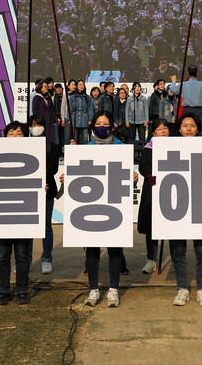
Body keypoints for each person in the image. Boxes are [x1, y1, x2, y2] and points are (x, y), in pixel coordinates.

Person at [76, 111, 126, 308]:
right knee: (92, 247)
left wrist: (132, 177)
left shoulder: (121, 148)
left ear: (112, 126)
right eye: (99, 123)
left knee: (114, 248)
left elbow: (125, 173)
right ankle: (93, 288)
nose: (102, 126)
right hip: (92, 202)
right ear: (93, 126)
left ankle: (113, 289)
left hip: (114, 201)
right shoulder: (86, 148)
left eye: (106, 123)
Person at [167, 114, 202, 307]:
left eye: (192, 125)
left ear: (198, 129)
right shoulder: (169, 148)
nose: (188, 128)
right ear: (179, 129)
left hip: (199, 205)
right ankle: (182, 288)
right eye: (185, 125)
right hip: (176, 205)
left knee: (201, 251)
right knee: (178, 251)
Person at [0, 121, 35, 305]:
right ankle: (3, 291)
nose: (14, 137)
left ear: (25, 136)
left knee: (22, 255)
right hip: (1, 211)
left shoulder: (34, 155)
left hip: (24, 211)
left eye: (19, 134)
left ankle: (22, 290)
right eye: (11, 133)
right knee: (2, 256)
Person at [137, 119, 171, 274]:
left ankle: (176, 258)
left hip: (171, 190)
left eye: (165, 128)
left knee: (173, 226)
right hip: (152, 191)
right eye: (159, 129)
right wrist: (158, 171)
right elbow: (143, 168)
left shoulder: (177, 146)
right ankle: (151, 259)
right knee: (152, 228)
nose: (162, 131)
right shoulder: (148, 149)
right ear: (153, 133)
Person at [29, 114, 62, 275]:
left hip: (47, 190)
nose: (36, 128)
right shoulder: (24, 145)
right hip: (28, 191)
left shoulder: (53, 146)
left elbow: (53, 169)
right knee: (28, 228)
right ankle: (25, 259)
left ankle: (46, 259)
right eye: (33, 125)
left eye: (38, 124)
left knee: (46, 226)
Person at [70, 80, 93, 144]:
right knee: (74, 138)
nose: (81, 86)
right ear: (77, 86)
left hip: (85, 119)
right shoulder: (72, 97)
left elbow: (90, 109)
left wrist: (90, 119)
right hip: (75, 119)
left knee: (85, 138)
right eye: (80, 84)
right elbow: (70, 109)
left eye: (83, 84)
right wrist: (69, 119)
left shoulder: (88, 97)